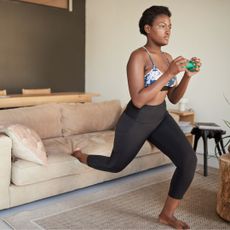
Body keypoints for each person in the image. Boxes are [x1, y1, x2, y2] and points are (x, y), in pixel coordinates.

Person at [72, 5, 201, 229]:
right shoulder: (138, 57)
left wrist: (187, 77)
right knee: (115, 165)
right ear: (148, 29)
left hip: (160, 116)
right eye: (162, 26)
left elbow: (172, 98)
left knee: (188, 160)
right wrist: (169, 73)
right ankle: (82, 156)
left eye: (170, 26)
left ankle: (166, 215)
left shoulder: (168, 57)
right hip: (137, 118)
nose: (168, 31)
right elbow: (139, 99)